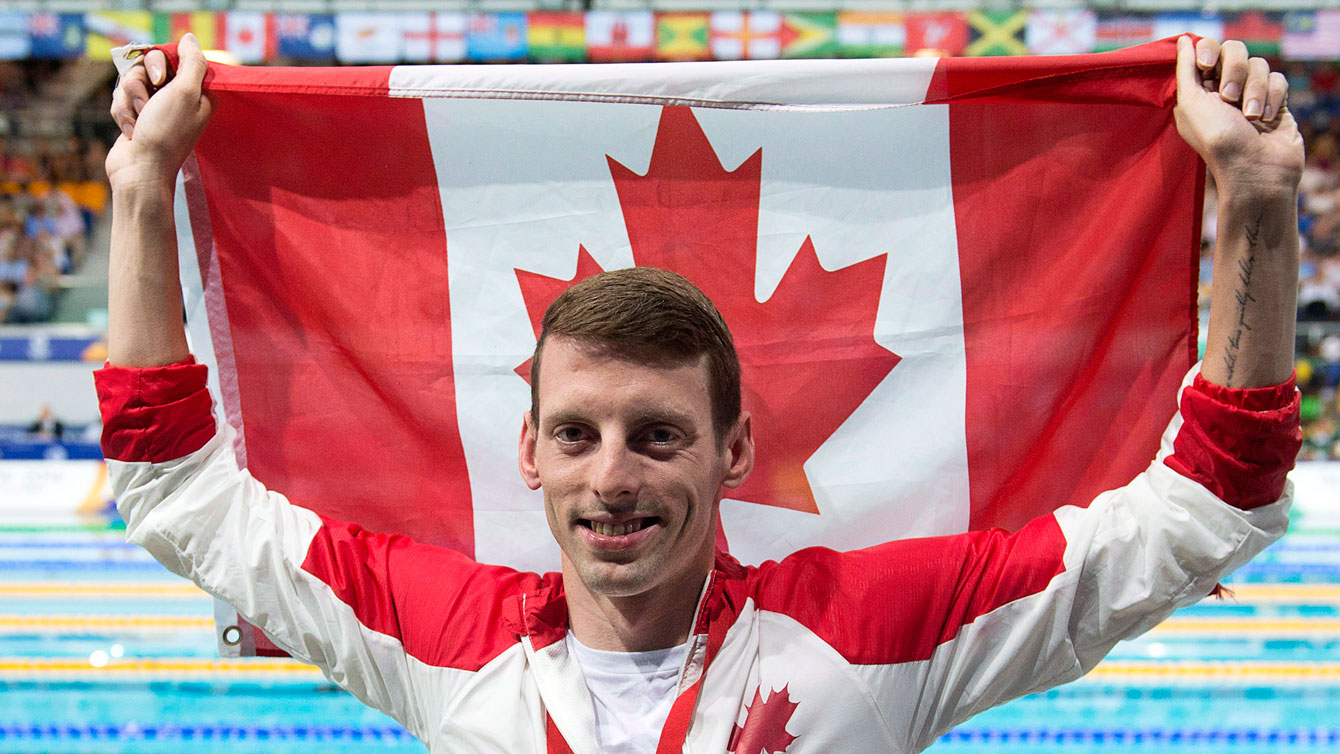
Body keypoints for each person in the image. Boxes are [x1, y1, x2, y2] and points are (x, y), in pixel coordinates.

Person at [101, 34, 1301, 754]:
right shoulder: (441, 639)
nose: (610, 475)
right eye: (576, 433)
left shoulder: (867, 632)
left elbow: (1206, 505)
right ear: (527, 452)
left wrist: (1250, 199)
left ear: (733, 451)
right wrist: (144, 182)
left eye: (656, 434)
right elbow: (174, 491)